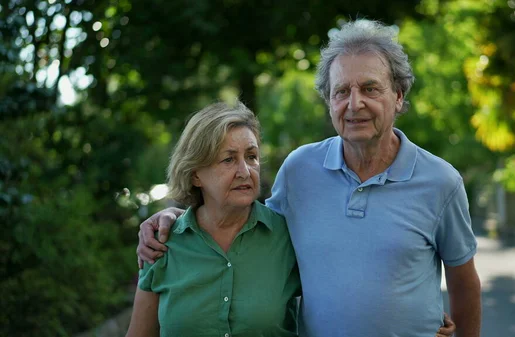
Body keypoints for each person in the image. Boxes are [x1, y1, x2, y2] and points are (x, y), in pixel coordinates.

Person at [138, 19, 480, 337]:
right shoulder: (300, 169)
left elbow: (464, 284)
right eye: (341, 91)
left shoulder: (440, 181)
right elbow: (247, 226)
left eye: (370, 88)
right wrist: (171, 217)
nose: (354, 103)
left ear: (399, 96)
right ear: (329, 102)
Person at [126, 101, 301, 337]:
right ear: (196, 174)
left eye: (251, 157)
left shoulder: (289, 235)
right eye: (228, 160)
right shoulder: (161, 244)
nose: (245, 171)